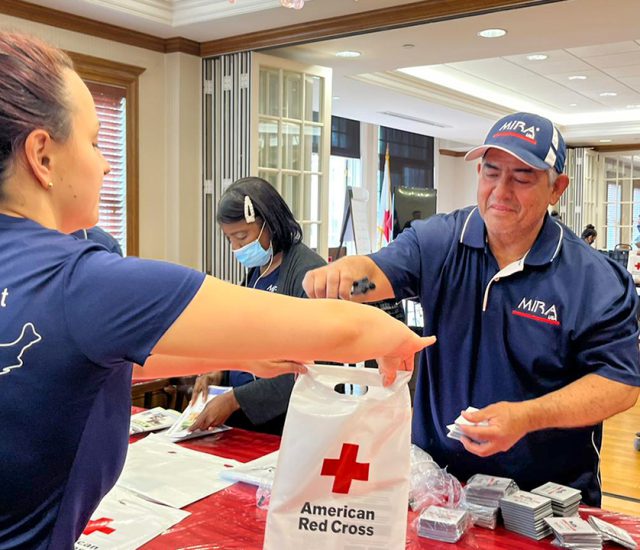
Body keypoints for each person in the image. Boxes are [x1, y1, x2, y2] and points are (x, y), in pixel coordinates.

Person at [0, 32, 435, 548]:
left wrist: (253, 353)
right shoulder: (82, 279)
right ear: (42, 156)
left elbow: (80, 367)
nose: (105, 163)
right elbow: (337, 327)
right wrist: (396, 338)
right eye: (94, 142)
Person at [303, 111, 640, 506]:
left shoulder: (594, 279)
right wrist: (346, 278)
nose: (501, 190)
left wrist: (525, 417)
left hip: (547, 501)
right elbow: (373, 275)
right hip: (436, 485)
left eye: (522, 177)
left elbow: (619, 384)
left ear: (557, 188)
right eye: (492, 172)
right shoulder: (440, 240)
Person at [189, 177, 326, 435]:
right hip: (246, 419)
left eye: (242, 236)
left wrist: (234, 400)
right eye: (230, 239)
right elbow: (243, 337)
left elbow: (304, 368)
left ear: (270, 225)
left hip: (286, 423)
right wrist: (220, 372)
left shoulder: (307, 273)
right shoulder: (257, 272)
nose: (236, 248)